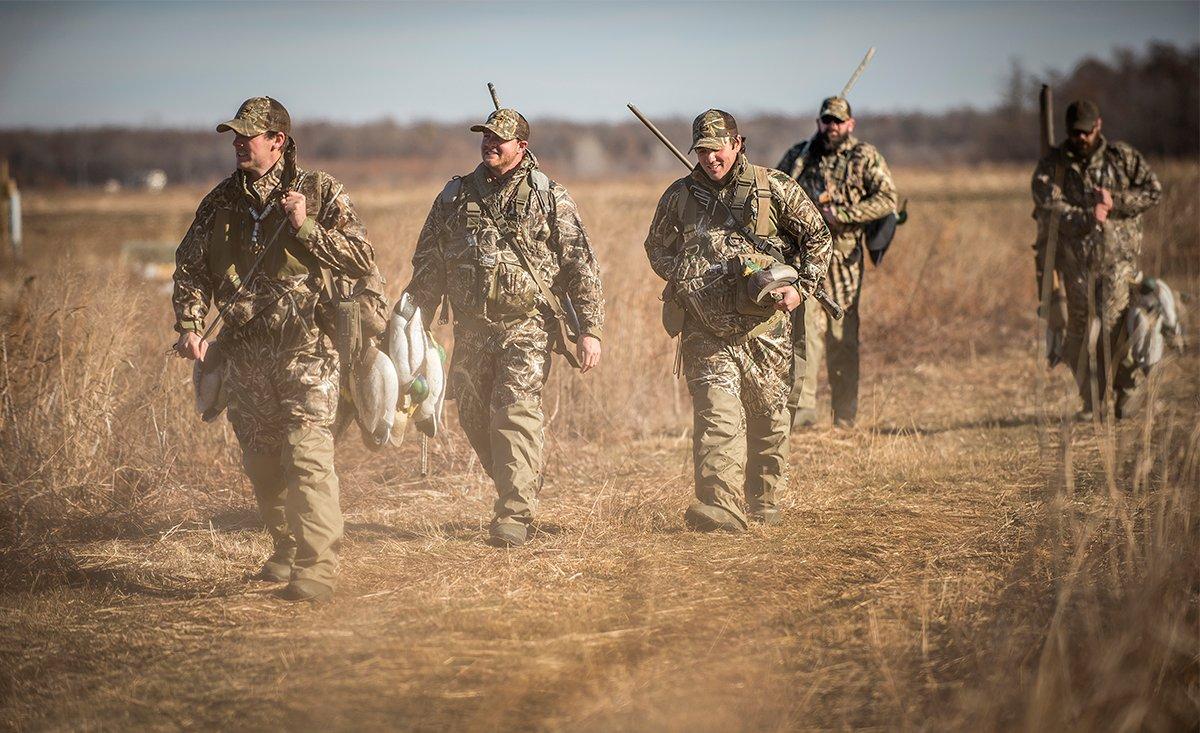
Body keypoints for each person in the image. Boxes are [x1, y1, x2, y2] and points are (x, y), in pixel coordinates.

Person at [172, 97, 383, 602]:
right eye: (235, 135)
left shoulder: (320, 191)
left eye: (249, 134)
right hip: (244, 353)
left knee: (308, 456)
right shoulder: (220, 202)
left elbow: (360, 258)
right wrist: (190, 324)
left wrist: (305, 225)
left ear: (278, 141)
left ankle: (316, 567)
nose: (239, 142)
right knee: (264, 464)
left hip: (308, 349)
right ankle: (287, 546)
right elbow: (191, 269)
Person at [405, 107, 606, 548]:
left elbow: (580, 266)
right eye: (485, 136)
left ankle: (514, 512)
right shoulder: (455, 195)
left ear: (522, 146)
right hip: (472, 329)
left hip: (527, 325)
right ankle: (521, 479)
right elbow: (429, 260)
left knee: (514, 410)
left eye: (500, 138)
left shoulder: (550, 196)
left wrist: (589, 329)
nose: (490, 143)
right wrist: (413, 323)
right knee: (475, 417)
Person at [644, 109, 831, 532]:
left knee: (768, 417)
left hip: (765, 329)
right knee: (716, 414)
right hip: (705, 329)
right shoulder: (680, 195)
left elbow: (817, 238)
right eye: (704, 150)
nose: (711, 158)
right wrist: (683, 273)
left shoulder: (774, 188)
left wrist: (800, 287)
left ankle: (763, 500)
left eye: (718, 149)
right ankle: (720, 507)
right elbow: (655, 245)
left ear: (737, 143)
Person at [1031, 99, 1161, 418]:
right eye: (1075, 133)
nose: (1081, 139)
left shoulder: (1122, 158)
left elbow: (1153, 191)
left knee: (1115, 332)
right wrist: (1088, 216)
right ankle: (1092, 399)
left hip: (1117, 263)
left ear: (1098, 126)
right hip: (1074, 264)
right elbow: (1049, 207)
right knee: (1073, 338)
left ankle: (1126, 390)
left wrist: (1115, 202)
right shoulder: (1053, 165)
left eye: (1086, 132)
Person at [776, 97, 897, 428]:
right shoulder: (801, 155)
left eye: (838, 122)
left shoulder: (864, 156)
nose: (832, 127)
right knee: (804, 335)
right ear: (819, 122)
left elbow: (888, 199)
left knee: (842, 336)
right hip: (804, 257)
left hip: (844, 258)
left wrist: (843, 214)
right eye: (826, 121)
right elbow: (774, 192)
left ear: (850, 124)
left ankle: (845, 415)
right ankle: (803, 416)